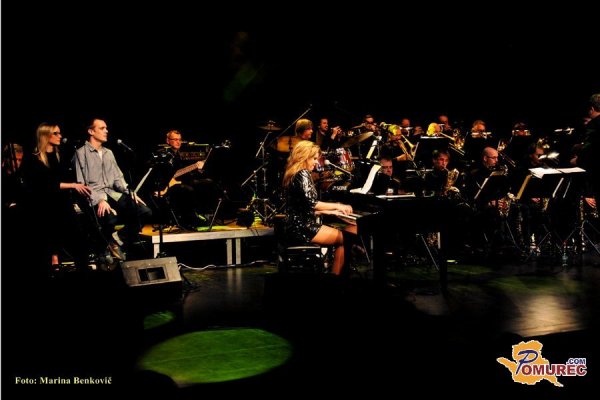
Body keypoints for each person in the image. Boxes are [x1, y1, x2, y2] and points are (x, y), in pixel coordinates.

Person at [74, 118, 152, 260]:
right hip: (94, 196)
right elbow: (83, 184)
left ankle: (116, 240)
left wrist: (130, 193)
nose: (106, 131)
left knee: (144, 211)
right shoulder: (81, 153)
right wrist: (99, 200)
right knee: (109, 218)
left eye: (106, 128)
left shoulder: (109, 153)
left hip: (112, 193)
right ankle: (103, 252)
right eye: (102, 128)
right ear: (91, 131)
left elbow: (117, 178)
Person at [20, 123, 92, 270]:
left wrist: (75, 188)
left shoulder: (60, 156)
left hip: (64, 205)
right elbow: (44, 185)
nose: (60, 136)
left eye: (60, 133)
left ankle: (83, 271)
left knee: (79, 242)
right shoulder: (33, 159)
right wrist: (72, 185)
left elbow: (65, 178)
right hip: (46, 208)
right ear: (45, 136)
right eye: (56, 133)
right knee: (49, 243)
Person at [283, 140, 355, 275]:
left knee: (344, 238)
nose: (316, 162)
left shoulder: (293, 174)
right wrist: (338, 206)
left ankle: (334, 276)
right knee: (347, 239)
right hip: (302, 228)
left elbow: (304, 206)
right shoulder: (302, 173)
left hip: (294, 226)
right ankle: (335, 281)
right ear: (304, 157)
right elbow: (312, 203)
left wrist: (329, 211)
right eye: (314, 159)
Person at [160, 129, 208, 229]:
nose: (178, 142)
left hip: (177, 182)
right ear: (168, 141)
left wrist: (197, 167)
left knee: (205, 183)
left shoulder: (179, 155)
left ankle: (200, 215)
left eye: (180, 140)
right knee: (187, 189)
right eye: (175, 139)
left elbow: (183, 172)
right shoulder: (163, 154)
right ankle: (188, 219)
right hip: (165, 185)